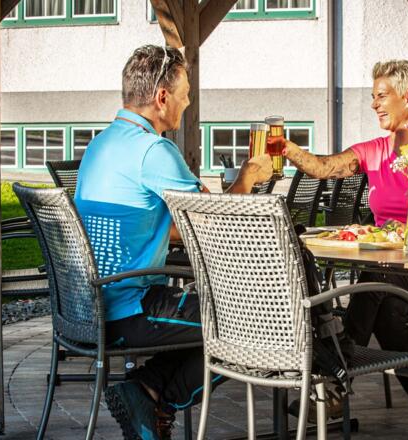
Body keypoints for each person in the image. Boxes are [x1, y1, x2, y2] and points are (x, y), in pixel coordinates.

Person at [74, 44, 272, 440]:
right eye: (184, 95)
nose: (186, 103)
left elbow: (162, 224)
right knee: (255, 322)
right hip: (132, 308)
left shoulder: (102, 144)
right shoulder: (153, 150)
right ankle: (152, 395)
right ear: (162, 97)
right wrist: (247, 178)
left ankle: (146, 391)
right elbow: (211, 225)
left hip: (93, 305)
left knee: (222, 319)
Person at [276, 59, 408, 437]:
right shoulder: (376, 151)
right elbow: (326, 168)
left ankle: (335, 373)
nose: (374, 104)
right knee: (381, 305)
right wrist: (287, 149)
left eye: (382, 96)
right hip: (389, 273)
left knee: (374, 280)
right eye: (373, 97)